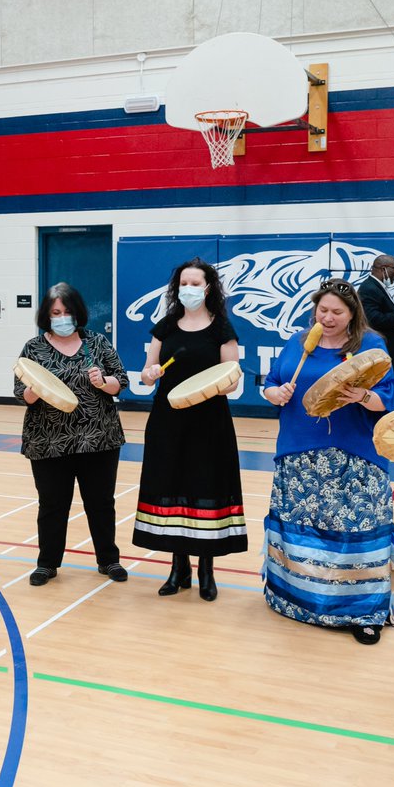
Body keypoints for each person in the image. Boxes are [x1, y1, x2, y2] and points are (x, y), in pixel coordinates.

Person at [261, 279, 394, 644]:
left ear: (353, 313)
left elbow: (388, 398)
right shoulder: (298, 342)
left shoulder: (370, 344)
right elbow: (271, 383)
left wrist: (363, 395)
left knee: (355, 532)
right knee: (302, 526)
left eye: (336, 312)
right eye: (322, 310)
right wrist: (275, 393)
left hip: (353, 454)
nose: (327, 318)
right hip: (299, 450)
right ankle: (296, 600)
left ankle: (364, 612)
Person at [134, 258, 247, 602]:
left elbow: (231, 378)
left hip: (209, 422)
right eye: (185, 282)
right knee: (172, 487)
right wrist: (150, 374)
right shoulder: (166, 326)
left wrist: (220, 382)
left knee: (204, 488)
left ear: (208, 288)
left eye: (196, 283)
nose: (189, 288)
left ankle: (206, 570)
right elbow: (145, 372)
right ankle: (178, 567)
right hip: (169, 420)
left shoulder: (221, 329)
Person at [15, 283, 129, 586]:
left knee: (101, 502)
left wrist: (104, 381)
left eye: (66, 312)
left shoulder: (97, 343)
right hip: (48, 441)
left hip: (99, 438)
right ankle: (47, 563)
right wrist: (35, 388)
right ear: (46, 315)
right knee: (52, 503)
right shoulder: (34, 348)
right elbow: (21, 394)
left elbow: (121, 382)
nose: (62, 317)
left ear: (77, 312)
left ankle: (109, 560)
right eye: (55, 313)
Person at [357, 254, 394, 375]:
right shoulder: (369, 288)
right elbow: (373, 320)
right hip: (379, 351)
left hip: (386, 351)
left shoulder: (377, 287)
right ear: (383, 268)